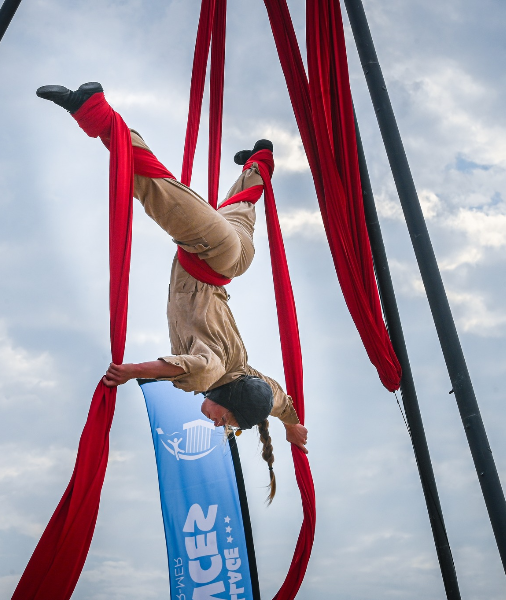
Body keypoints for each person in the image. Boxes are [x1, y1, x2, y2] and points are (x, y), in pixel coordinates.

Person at [37, 82, 309, 502]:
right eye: (226, 420)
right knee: (155, 187)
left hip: (235, 262)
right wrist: (130, 372)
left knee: (241, 208)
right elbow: (177, 366)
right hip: (210, 254)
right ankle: (92, 109)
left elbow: (278, 399)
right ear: (228, 395)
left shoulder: (250, 377)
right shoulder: (213, 370)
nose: (218, 424)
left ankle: (260, 159)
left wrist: (290, 425)